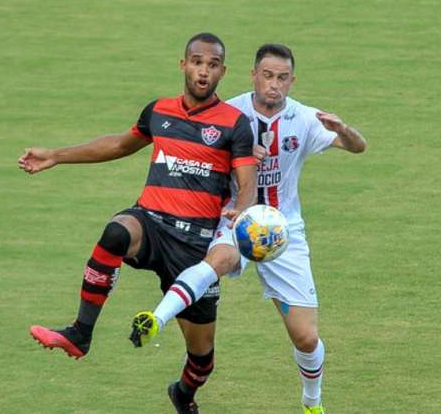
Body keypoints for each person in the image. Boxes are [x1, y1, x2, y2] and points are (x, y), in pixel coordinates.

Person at [18, 32, 257, 414]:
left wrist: (243, 209)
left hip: (195, 248)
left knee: (202, 359)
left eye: (212, 65)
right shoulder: (158, 111)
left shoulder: (235, 124)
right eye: (197, 62)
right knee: (116, 232)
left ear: (223, 72)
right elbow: (118, 145)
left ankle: (183, 393)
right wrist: (57, 156)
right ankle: (80, 333)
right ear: (183, 65)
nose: (203, 71)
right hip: (151, 222)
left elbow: (247, 182)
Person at [131, 43, 367, 414]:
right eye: (268, 75)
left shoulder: (305, 119)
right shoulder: (230, 112)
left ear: (292, 81)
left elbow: (358, 147)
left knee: (306, 337)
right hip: (235, 216)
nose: (274, 85)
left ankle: (312, 403)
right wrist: (236, 154)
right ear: (254, 75)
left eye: (282, 78)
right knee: (218, 260)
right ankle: (155, 319)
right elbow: (200, 151)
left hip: (283, 227)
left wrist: (343, 129)